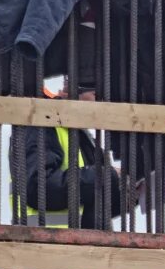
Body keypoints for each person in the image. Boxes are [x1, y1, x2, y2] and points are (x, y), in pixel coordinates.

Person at [10, 89, 122, 228]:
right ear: (69, 89)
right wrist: (106, 176)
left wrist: (123, 191)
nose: (104, 103)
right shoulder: (41, 124)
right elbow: (39, 188)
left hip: (85, 245)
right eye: (96, 94)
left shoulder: (84, 138)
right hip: (46, 244)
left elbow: (91, 204)